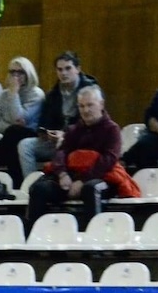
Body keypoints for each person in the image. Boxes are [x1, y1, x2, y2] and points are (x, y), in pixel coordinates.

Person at [27, 85, 124, 224]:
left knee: (91, 188)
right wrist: (63, 174)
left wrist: (82, 181)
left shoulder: (112, 129)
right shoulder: (73, 130)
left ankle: (92, 232)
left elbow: (108, 160)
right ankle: (33, 232)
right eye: (81, 106)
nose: (85, 110)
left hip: (101, 178)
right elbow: (61, 153)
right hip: (70, 178)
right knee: (39, 189)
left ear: (101, 104)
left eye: (90, 105)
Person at [0, 51, 99, 182]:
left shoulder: (91, 91)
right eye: (60, 69)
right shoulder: (53, 94)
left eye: (68, 68)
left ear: (78, 69)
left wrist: (66, 134)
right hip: (55, 140)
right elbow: (45, 120)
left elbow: (93, 121)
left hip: (80, 139)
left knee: (14, 133)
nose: (63, 73)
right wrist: (46, 132)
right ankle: (32, 184)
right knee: (25, 145)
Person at [0, 56, 44, 159]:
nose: (16, 76)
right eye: (12, 72)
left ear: (28, 74)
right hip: (6, 135)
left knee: (15, 132)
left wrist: (14, 94)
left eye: (20, 72)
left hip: (30, 134)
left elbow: (18, 117)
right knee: (12, 131)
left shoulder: (36, 94)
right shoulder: (3, 95)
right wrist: (9, 127)